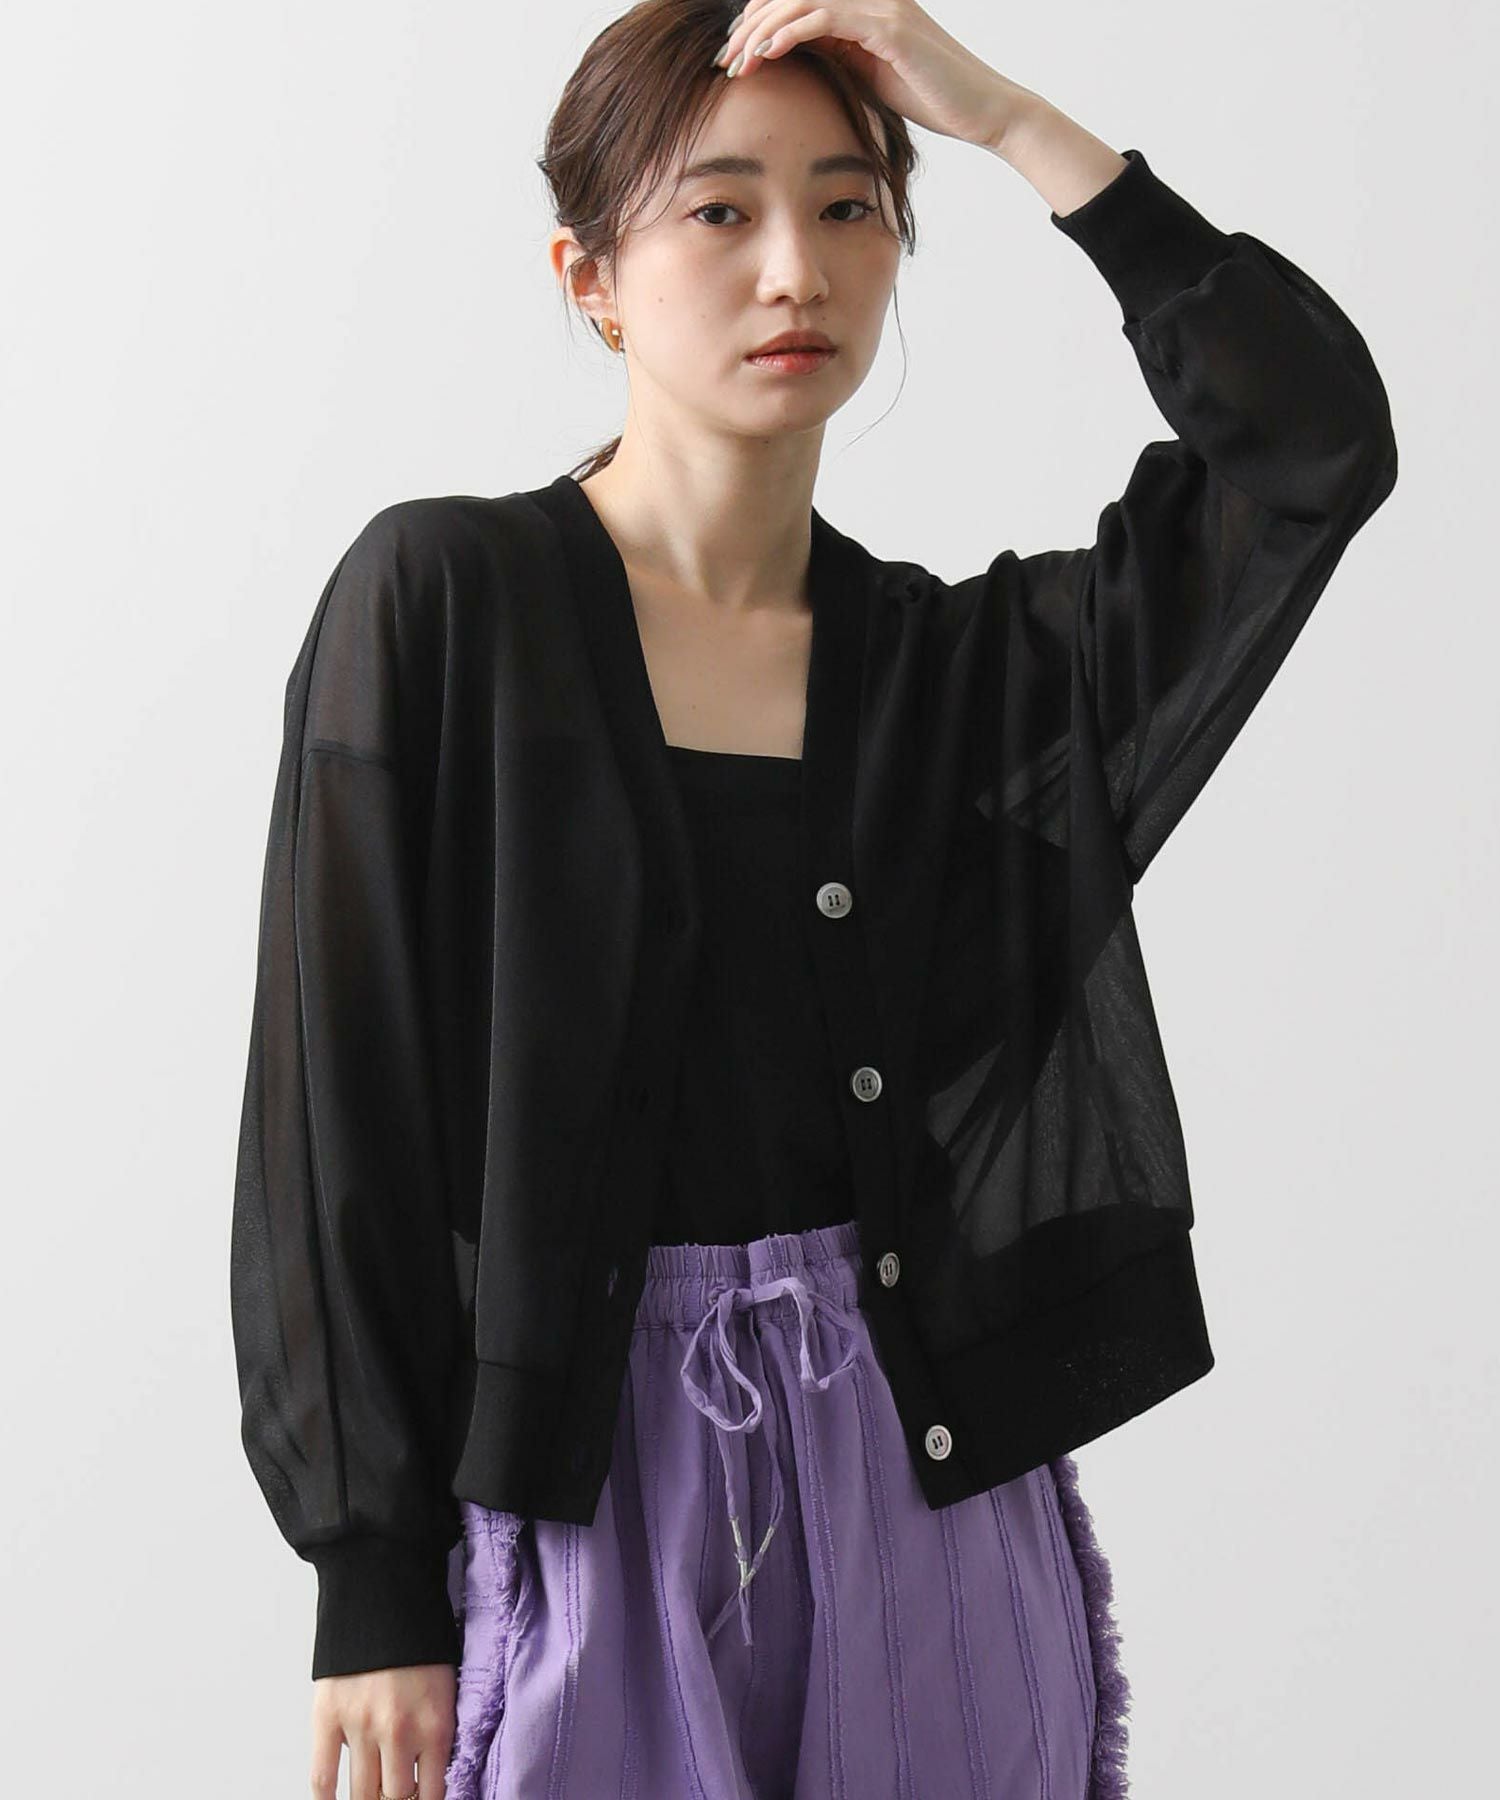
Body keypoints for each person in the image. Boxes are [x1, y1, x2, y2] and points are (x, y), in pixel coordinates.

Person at [230, 3, 1398, 1797]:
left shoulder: (968, 679)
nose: (798, 268)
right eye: (721, 211)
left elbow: (1313, 450)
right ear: (589, 276)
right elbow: (337, 1114)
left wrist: (1005, 117)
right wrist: (370, 1578)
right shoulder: (446, 602)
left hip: (923, 1484)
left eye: (852, 207)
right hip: (588, 1484)